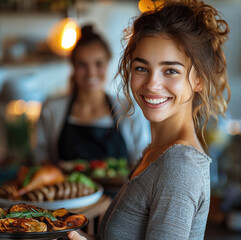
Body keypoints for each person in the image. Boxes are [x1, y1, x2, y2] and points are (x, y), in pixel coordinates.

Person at [67, 0, 230, 239]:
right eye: (141, 68)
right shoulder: (155, 152)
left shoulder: (180, 166)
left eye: (171, 70)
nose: (152, 84)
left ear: (199, 80)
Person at [33, 25, 150, 165]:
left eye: (99, 64)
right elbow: (41, 159)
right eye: (82, 65)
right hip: (68, 187)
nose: (91, 73)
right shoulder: (51, 109)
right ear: (73, 67)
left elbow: (142, 163)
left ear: (108, 63)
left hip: (121, 188)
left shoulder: (129, 110)